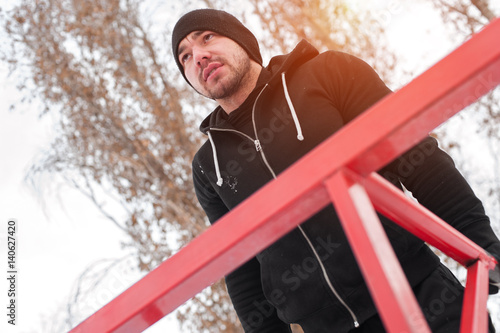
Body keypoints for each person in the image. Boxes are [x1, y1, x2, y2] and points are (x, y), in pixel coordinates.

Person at [171, 8, 500, 333]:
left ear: (242, 40)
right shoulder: (208, 166)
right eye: (185, 56)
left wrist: (481, 243)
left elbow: (416, 157)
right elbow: (241, 267)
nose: (199, 56)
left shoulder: (328, 73)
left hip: (422, 297)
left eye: (207, 37)